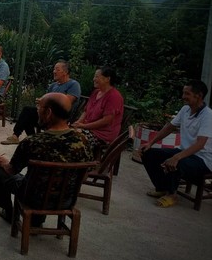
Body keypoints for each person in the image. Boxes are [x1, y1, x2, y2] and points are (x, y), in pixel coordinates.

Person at [0, 92, 93, 223]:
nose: (37, 110)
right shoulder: (83, 140)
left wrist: (3, 162)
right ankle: (36, 220)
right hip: (66, 200)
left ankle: (9, 213)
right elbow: (85, 174)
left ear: (48, 112)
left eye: (39, 107)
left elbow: (12, 170)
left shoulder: (32, 142)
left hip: (33, 198)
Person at [140, 80, 212, 208]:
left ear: (199, 96)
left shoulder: (208, 115)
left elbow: (200, 144)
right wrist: (150, 143)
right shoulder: (185, 109)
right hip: (184, 152)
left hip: (202, 159)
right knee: (148, 153)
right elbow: (169, 127)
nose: (183, 96)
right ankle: (162, 188)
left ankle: (172, 195)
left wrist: (177, 157)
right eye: (183, 93)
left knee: (175, 162)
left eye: (187, 94)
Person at [1, 60, 81, 145]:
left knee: (29, 113)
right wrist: (41, 102)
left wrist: (46, 101)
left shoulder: (73, 84)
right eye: (54, 69)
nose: (54, 71)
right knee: (27, 112)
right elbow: (46, 99)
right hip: (47, 114)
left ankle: (33, 140)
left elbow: (67, 101)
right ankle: (18, 136)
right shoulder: (53, 85)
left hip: (60, 117)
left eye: (57, 69)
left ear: (65, 72)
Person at [71, 66, 124, 150]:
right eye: (94, 76)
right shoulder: (96, 92)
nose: (94, 79)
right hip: (87, 129)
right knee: (64, 134)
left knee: (72, 142)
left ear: (107, 79)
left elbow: (106, 120)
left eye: (96, 76)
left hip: (102, 135)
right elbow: (86, 111)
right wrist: (78, 122)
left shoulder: (114, 96)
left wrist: (84, 126)